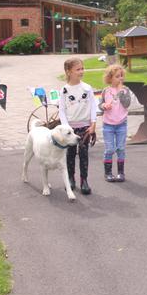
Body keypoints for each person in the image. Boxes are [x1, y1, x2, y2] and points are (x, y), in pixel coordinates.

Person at [58, 57, 98, 195]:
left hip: (85, 128)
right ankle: (70, 178)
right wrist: (66, 128)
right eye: (78, 69)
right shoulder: (64, 90)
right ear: (69, 71)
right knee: (69, 155)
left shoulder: (87, 88)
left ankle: (84, 180)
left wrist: (93, 124)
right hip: (70, 130)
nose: (81, 71)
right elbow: (61, 110)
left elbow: (93, 106)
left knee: (83, 155)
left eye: (82, 68)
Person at [99, 64, 132, 182]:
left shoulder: (125, 90)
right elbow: (100, 105)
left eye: (122, 76)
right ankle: (108, 173)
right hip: (108, 125)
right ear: (110, 78)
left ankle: (121, 172)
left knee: (121, 148)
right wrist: (104, 105)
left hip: (121, 124)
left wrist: (121, 91)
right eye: (117, 76)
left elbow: (127, 104)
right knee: (109, 149)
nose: (120, 78)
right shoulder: (105, 91)